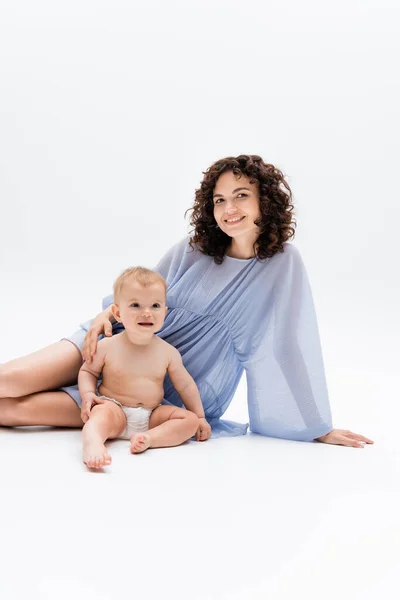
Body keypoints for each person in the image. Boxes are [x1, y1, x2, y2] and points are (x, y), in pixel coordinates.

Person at [0, 155, 373, 448]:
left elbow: (289, 346)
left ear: (265, 202)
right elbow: (139, 291)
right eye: (219, 200)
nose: (229, 209)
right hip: (113, 342)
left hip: (158, 393)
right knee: (11, 380)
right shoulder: (195, 249)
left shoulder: (283, 264)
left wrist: (315, 427)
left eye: (241, 196)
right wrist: (103, 314)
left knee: (13, 412)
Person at [79, 266, 211, 469]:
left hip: (151, 414)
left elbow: (185, 386)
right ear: (117, 313)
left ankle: (149, 439)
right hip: (115, 409)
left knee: (189, 421)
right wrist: (88, 394)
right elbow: (88, 371)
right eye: (136, 305)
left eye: (155, 305)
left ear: (164, 312)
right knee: (98, 419)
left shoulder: (168, 352)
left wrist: (200, 417)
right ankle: (93, 443)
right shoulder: (108, 345)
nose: (147, 312)